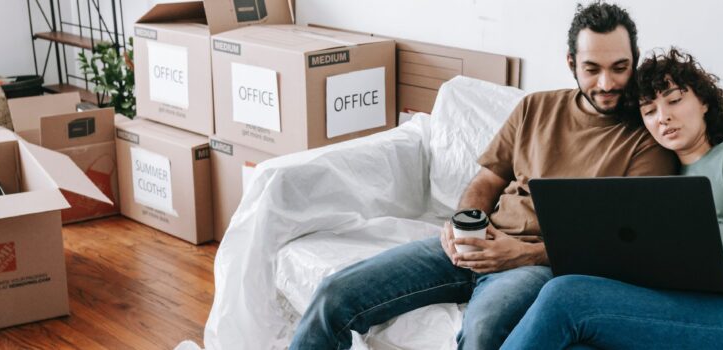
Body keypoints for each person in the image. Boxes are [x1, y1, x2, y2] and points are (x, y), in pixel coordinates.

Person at [288, 3, 676, 349]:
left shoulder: (648, 140)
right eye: (592, 69)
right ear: (571, 62)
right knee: (335, 293)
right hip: (478, 243)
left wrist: (522, 253)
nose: (606, 83)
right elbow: (487, 182)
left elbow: (622, 245)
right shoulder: (536, 107)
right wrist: (463, 225)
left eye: (619, 68)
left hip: (535, 265)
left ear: (635, 61)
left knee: (485, 330)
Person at [500, 48, 723, 349]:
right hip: (683, 301)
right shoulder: (662, 180)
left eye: (673, 100)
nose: (662, 117)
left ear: (704, 101)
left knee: (566, 295)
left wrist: (717, 277)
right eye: (649, 110)